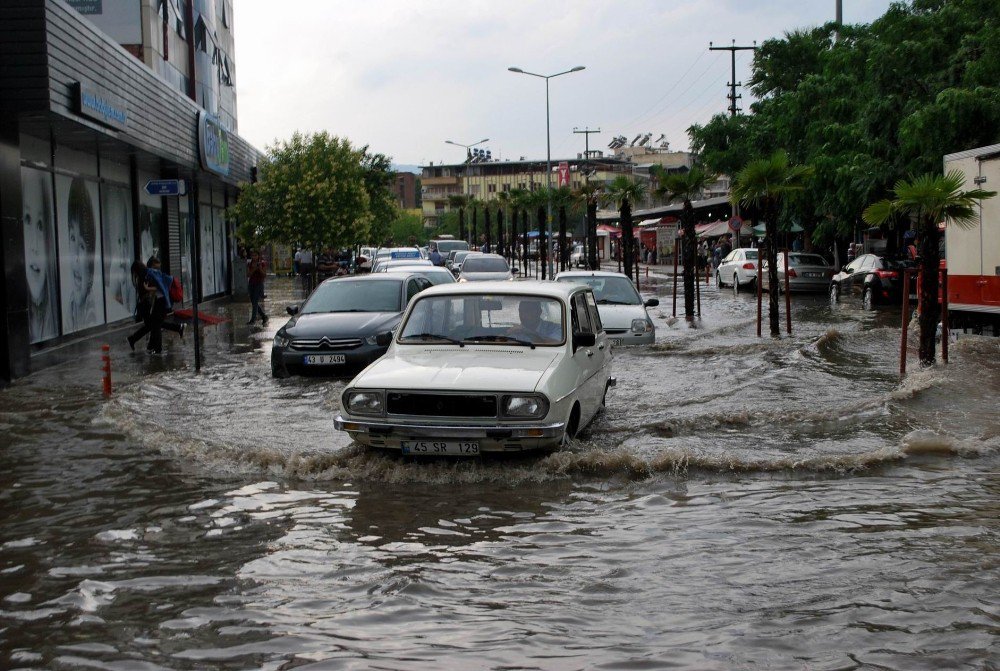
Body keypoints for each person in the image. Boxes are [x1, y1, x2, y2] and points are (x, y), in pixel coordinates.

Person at [126, 256, 184, 354]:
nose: (157, 269)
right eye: (156, 266)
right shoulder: (149, 273)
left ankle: (156, 348)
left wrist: (148, 290)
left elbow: (158, 287)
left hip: (160, 301)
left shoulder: (148, 274)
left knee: (155, 324)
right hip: (159, 301)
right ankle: (153, 346)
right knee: (155, 324)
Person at [247, 250, 268, 325]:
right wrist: (254, 269)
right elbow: (248, 274)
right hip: (251, 284)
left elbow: (264, 275)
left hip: (259, 284)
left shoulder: (262, 263)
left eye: (255, 255)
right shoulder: (250, 264)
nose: (254, 257)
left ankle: (253, 319)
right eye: (253, 255)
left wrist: (259, 268)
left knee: (255, 302)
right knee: (253, 302)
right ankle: (264, 316)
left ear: (258, 256)